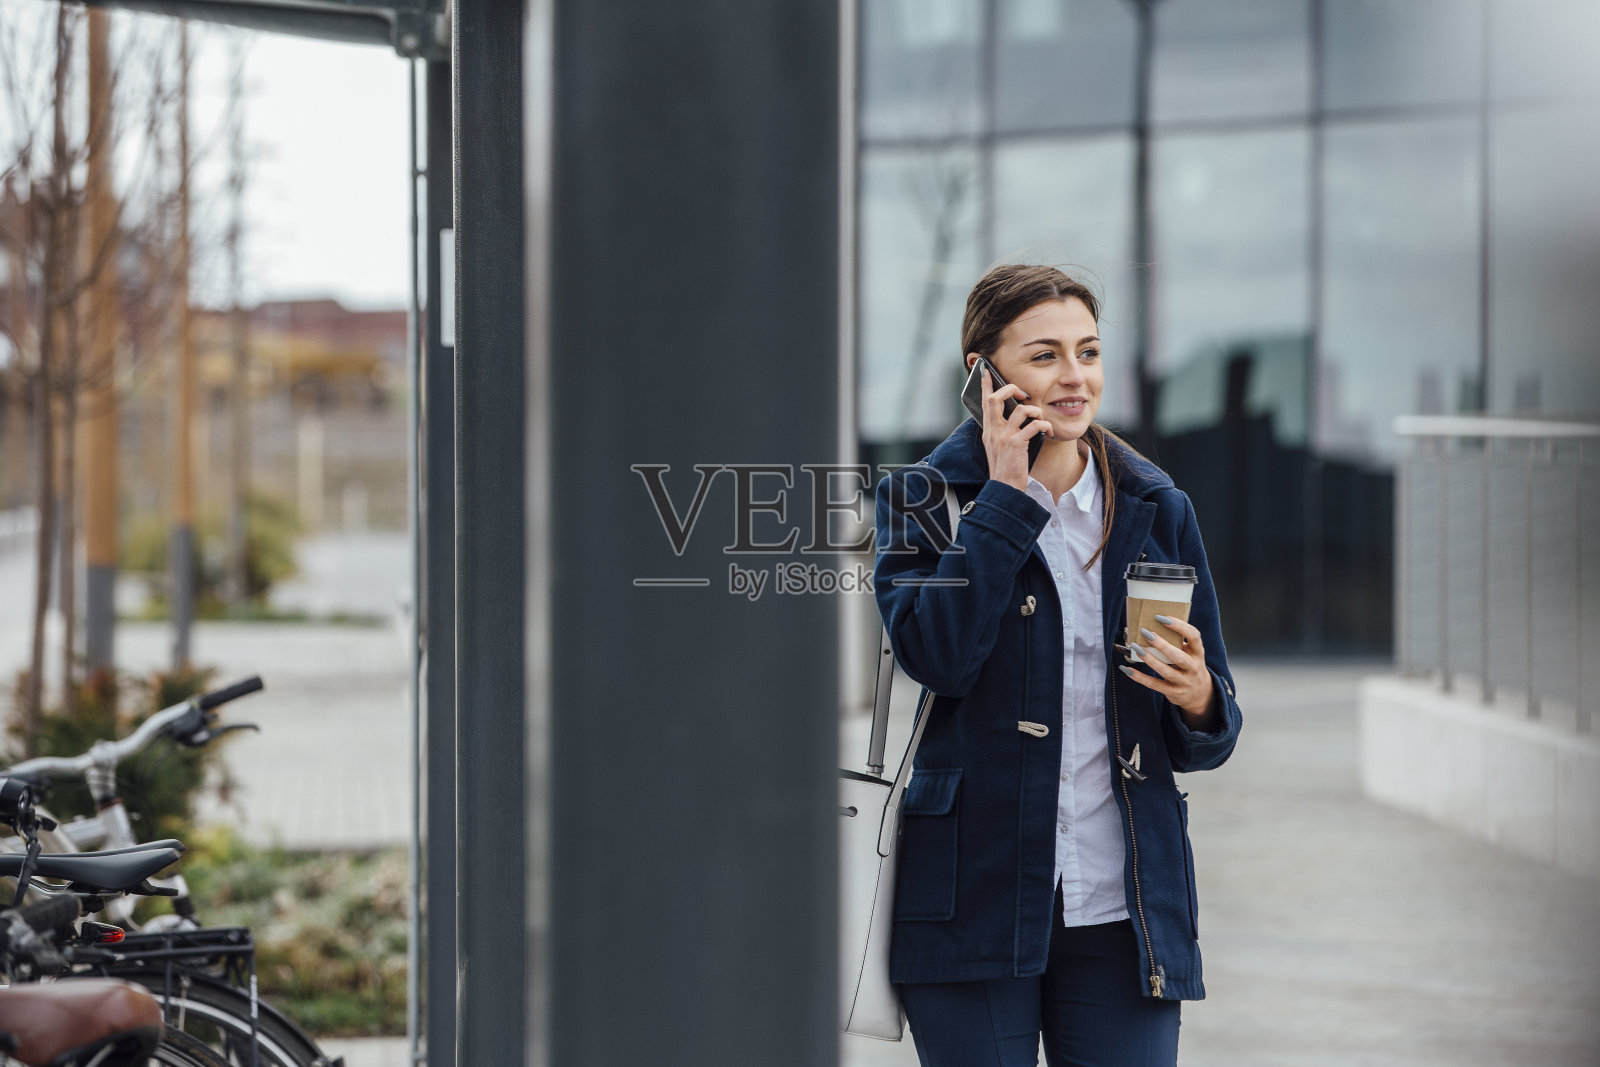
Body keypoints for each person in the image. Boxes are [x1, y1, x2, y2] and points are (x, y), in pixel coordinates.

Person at [873, 263, 1243, 1067]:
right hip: (971, 896)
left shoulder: (1156, 505)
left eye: (1089, 351)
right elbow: (937, 656)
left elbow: (1213, 728)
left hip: (1123, 905)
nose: (1076, 376)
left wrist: (1199, 697)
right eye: (1045, 355)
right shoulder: (923, 499)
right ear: (984, 375)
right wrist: (1007, 500)